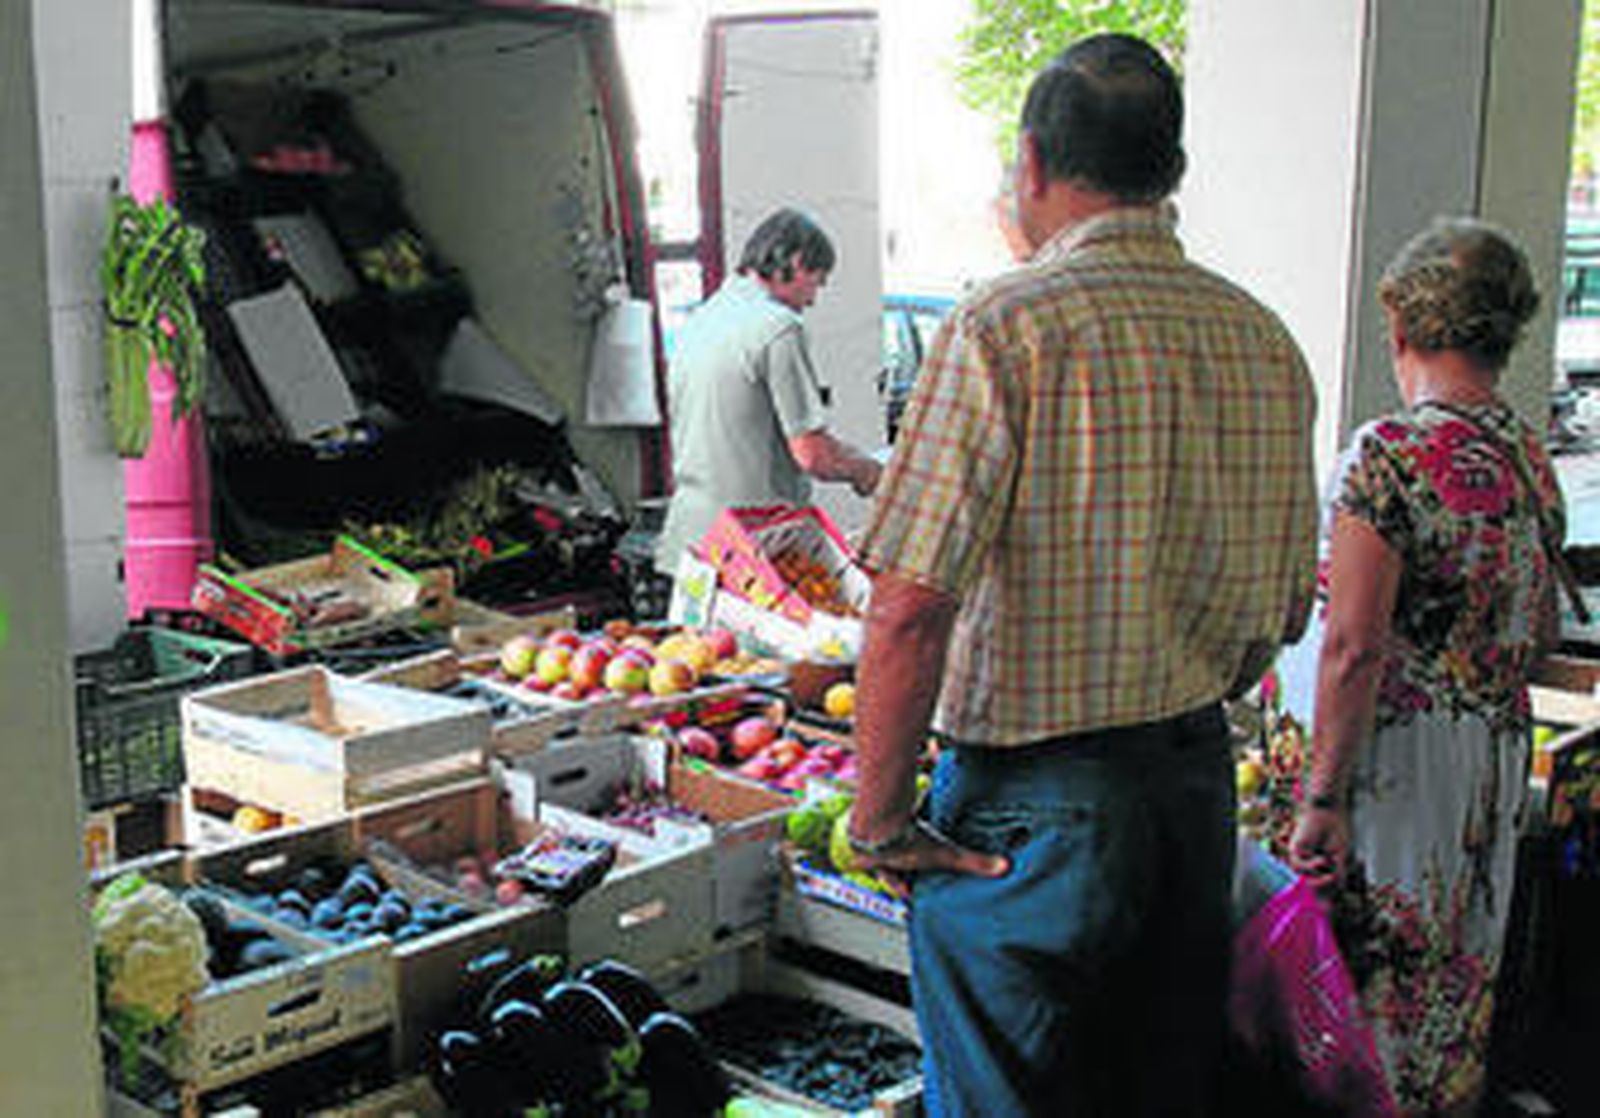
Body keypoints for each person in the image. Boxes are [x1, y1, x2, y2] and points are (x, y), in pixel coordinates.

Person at [846, 33, 1319, 1118]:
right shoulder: (1263, 338)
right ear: (1172, 169)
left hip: (1029, 804)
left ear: (1030, 164)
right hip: (1193, 786)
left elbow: (910, 605)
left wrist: (878, 820)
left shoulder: (1004, 327)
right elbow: (1288, 609)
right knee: (1155, 1088)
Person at [1282, 218, 1558, 1117]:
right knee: (1459, 989)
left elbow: (1353, 646)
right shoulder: (1528, 457)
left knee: (1380, 999)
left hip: (1402, 769)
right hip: (1496, 757)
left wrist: (1321, 797)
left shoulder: (1388, 457)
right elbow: (1539, 626)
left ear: (1401, 324)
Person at [653, 208, 882, 576]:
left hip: (690, 543)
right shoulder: (779, 328)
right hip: (749, 551)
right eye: (817, 281)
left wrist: (847, 453)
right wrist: (867, 472)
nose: (813, 299)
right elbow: (813, 456)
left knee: (693, 638)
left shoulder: (702, 319)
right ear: (795, 261)